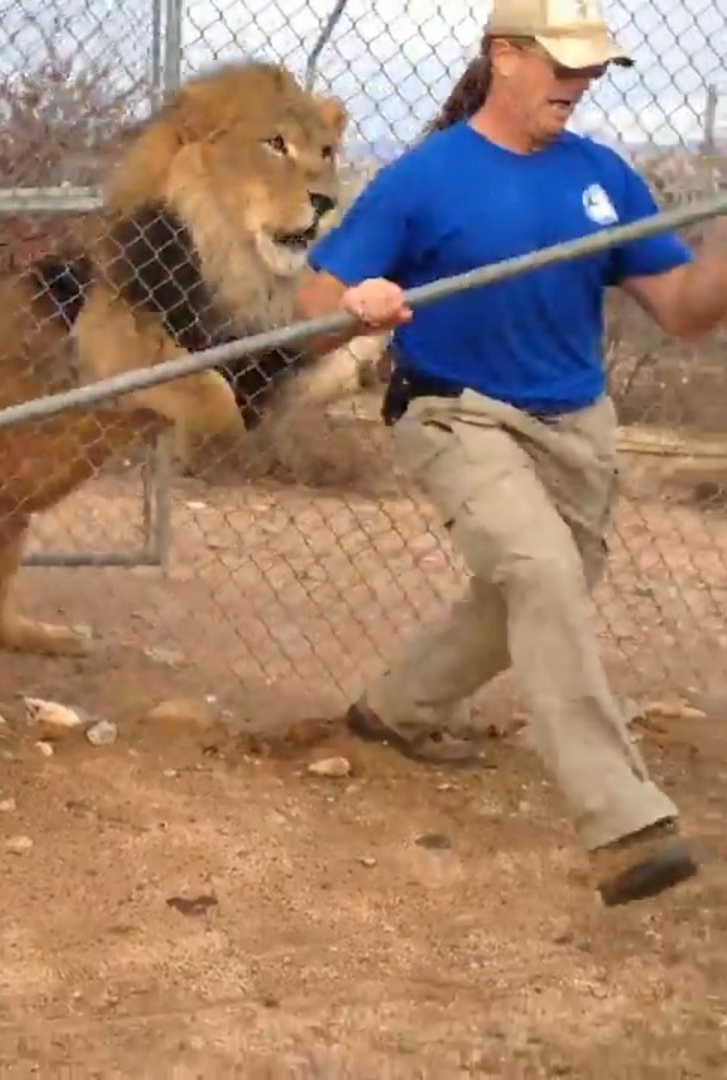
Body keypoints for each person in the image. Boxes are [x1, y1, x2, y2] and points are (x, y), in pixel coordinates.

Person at [294, 0, 727, 907]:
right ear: (504, 57)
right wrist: (357, 305)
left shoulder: (604, 177)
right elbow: (313, 305)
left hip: (576, 429)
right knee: (539, 574)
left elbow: (686, 310)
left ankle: (394, 712)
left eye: (594, 68)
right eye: (564, 65)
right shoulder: (427, 179)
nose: (583, 83)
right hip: (459, 414)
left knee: (528, 591)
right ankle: (624, 822)